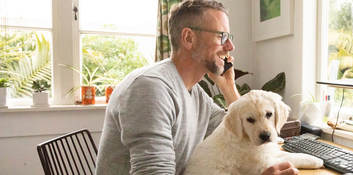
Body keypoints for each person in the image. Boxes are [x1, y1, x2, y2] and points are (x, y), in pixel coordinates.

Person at [95, 1, 299, 175]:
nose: (230, 47)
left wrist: (228, 86)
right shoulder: (150, 88)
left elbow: (236, 129)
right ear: (189, 38)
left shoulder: (194, 92)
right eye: (222, 37)